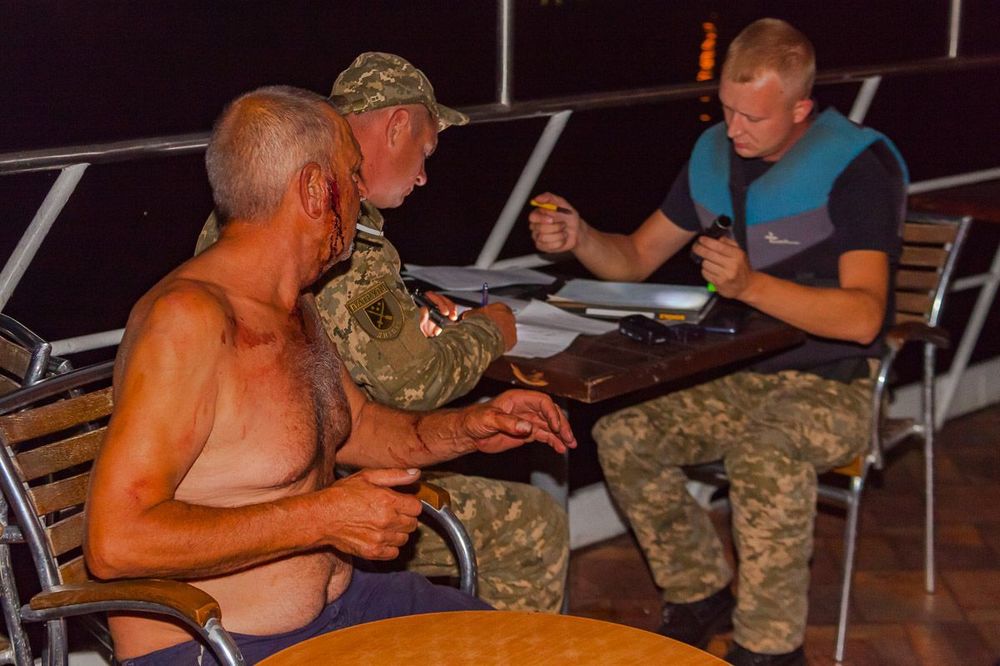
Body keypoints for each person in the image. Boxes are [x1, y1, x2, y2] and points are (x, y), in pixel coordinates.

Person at [86, 85, 576, 666]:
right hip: (222, 646)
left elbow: (359, 426)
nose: (362, 192)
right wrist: (323, 518)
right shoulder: (188, 320)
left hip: (344, 605)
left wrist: (470, 427)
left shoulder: (294, 305)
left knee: (532, 651)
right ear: (316, 190)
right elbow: (116, 541)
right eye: (352, 174)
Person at [528, 18, 906, 666]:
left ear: (801, 109)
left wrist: (751, 284)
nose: (734, 130)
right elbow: (635, 258)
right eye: (727, 110)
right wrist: (581, 236)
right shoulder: (715, 155)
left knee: (765, 456)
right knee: (623, 434)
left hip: (837, 388)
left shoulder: (857, 171)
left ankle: (769, 648)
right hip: (736, 374)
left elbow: (864, 319)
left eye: (753, 117)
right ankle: (700, 592)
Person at [195, 53, 568, 613]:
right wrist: (491, 331)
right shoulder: (339, 236)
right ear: (396, 126)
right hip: (297, 507)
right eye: (423, 152)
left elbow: (350, 387)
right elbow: (414, 384)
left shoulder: (252, 215)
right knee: (536, 524)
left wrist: (413, 314)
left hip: (289, 464)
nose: (422, 176)